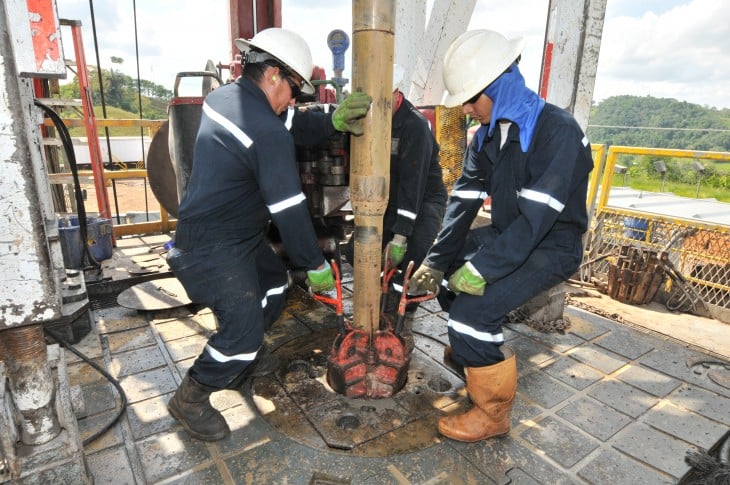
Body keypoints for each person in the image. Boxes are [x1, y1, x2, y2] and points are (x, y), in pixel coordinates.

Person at [166, 27, 372, 442]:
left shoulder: (226, 97)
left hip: (236, 236)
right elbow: (290, 209)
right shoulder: (265, 131)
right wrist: (313, 264)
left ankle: (240, 357)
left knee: (274, 287)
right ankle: (192, 396)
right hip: (210, 246)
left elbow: (290, 121)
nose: (294, 100)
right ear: (275, 74)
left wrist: (331, 120)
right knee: (241, 330)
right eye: (295, 87)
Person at [408, 30, 594, 443]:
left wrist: (483, 268)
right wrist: (436, 260)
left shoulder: (556, 133)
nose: (469, 110)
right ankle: (475, 358)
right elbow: (464, 201)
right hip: (511, 233)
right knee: (448, 276)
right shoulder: (489, 136)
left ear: (501, 87)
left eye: (473, 99)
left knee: (472, 313)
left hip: (551, 245)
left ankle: (492, 413)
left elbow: (536, 222)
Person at [344, 64, 447, 349]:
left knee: (409, 268)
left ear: (396, 93)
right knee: (358, 253)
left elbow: (413, 185)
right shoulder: (368, 118)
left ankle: (401, 324)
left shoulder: (414, 126)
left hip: (423, 200)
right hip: (389, 198)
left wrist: (401, 235)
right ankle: (378, 302)